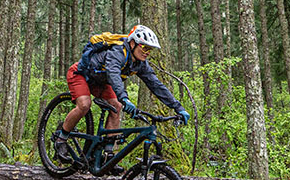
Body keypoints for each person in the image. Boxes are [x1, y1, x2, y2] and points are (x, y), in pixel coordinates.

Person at [54, 24, 190, 165]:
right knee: (84, 105)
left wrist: (178, 107)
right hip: (81, 74)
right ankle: (61, 139)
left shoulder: (141, 64)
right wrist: (124, 97)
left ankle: (107, 156)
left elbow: (156, 85)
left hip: (101, 81)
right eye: (144, 47)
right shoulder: (118, 51)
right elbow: (113, 74)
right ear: (132, 43)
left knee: (116, 107)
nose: (147, 52)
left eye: (149, 49)